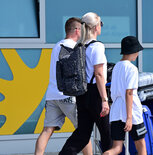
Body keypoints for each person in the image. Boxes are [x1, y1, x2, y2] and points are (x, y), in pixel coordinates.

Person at [34, 17, 92, 155]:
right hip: (68, 96)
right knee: (83, 131)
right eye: (82, 30)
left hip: (52, 95)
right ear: (77, 30)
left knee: (47, 130)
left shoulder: (57, 46)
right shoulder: (72, 47)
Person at [59, 12, 112, 155]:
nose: (101, 27)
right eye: (100, 24)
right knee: (107, 133)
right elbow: (99, 74)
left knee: (82, 133)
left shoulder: (80, 45)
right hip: (96, 93)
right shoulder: (98, 46)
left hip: (82, 92)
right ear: (95, 27)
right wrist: (104, 100)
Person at [103, 36, 147, 155]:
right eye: (137, 51)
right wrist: (129, 118)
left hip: (116, 110)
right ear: (133, 51)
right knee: (141, 145)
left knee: (116, 148)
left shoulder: (116, 66)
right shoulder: (132, 69)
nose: (138, 54)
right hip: (131, 111)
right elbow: (129, 93)